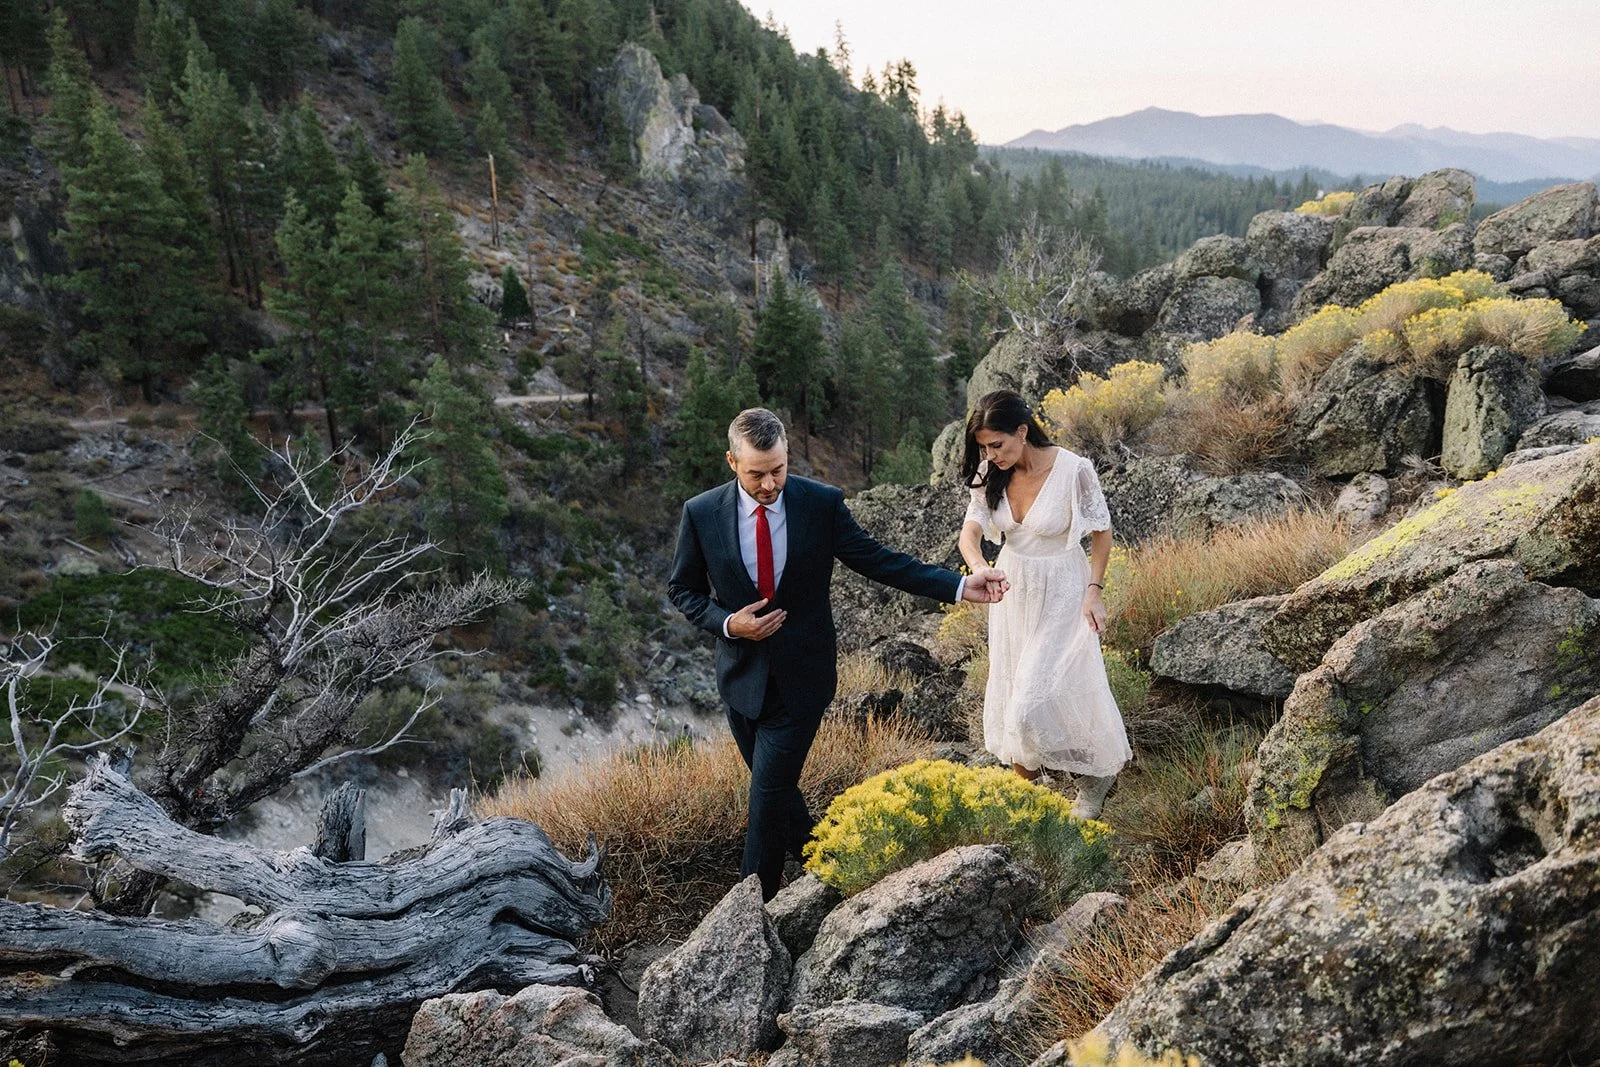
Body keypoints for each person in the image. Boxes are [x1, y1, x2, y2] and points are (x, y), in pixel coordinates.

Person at [669, 407, 1009, 900]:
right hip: (740, 684)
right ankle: (832, 869)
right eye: (756, 474)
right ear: (731, 462)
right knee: (780, 797)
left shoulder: (820, 504)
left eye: (778, 470)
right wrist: (728, 623)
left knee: (763, 806)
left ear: (788, 457)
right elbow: (683, 590)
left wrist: (958, 586)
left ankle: (746, 922)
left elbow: (881, 562)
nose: (769, 484)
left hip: (802, 683)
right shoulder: (700, 514)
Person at [958, 390, 1130, 819]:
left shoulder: (1074, 469)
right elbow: (970, 534)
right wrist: (979, 566)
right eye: (983, 446)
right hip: (1013, 591)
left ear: (1022, 430)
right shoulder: (988, 473)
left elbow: (1101, 532)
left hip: (1063, 590)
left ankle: (1093, 778)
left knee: (1031, 701)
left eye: (996, 444)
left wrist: (1095, 591)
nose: (990, 454)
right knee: (1016, 692)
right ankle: (1026, 807)